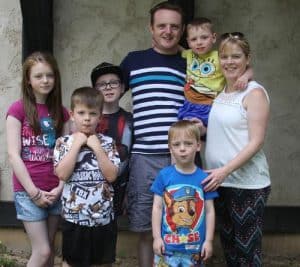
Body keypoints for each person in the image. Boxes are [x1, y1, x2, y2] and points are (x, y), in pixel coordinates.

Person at [120, 1, 189, 266]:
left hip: (180, 158)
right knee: (146, 227)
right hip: (143, 158)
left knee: (180, 224)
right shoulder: (133, 61)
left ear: (182, 30)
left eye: (174, 26)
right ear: (151, 28)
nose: (168, 31)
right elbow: (109, 95)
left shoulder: (190, 63)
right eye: (162, 25)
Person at [203, 32, 271, 266]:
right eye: (224, 56)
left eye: (236, 56)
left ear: (247, 58)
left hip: (246, 184)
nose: (229, 61)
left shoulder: (254, 93)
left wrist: (224, 170)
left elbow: (256, 141)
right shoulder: (222, 92)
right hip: (220, 182)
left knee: (246, 253)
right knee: (230, 249)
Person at [6, 51, 70, 267]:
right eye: (39, 76)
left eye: (49, 75)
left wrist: (61, 187)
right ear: (28, 80)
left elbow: (69, 155)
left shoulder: (62, 112)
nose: (45, 80)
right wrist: (33, 193)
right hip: (28, 191)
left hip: (55, 191)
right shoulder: (17, 109)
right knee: (41, 251)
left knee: (49, 248)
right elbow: (14, 155)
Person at [53, 87, 120, 267]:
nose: (87, 118)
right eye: (81, 112)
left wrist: (97, 148)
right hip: (74, 218)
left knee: (103, 262)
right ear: (72, 114)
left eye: (93, 113)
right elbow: (62, 174)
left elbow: (112, 175)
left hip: (103, 218)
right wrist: (76, 146)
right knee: (71, 262)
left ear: (100, 116)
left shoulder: (107, 143)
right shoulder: (63, 143)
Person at [151, 120, 218, 266]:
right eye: (176, 144)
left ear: (198, 146)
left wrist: (209, 241)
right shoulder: (164, 175)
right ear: (170, 148)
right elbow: (157, 208)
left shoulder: (204, 178)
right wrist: (156, 237)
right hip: (167, 249)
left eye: (188, 143)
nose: (182, 149)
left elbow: (209, 211)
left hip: (195, 250)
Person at [178, 17, 252, 126]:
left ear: (213, 38)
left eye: (204, 37)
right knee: (187, 133)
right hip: (189, 103)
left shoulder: (220, 57)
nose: (199, 42)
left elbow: (249, 68)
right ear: (188, 42)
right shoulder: (188, 54)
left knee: (207, 133)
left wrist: (244, 77)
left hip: (210, 104)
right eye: (194, 39)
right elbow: (177, 48)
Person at [91, 62, 133, 216]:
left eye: (113, 83)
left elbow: (133, 159)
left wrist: (129, 191)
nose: (108, 87)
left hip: (119, 190)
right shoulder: (88, 120)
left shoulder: (130, 121)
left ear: (122, 88)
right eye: (102, 84)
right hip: (89, 190)